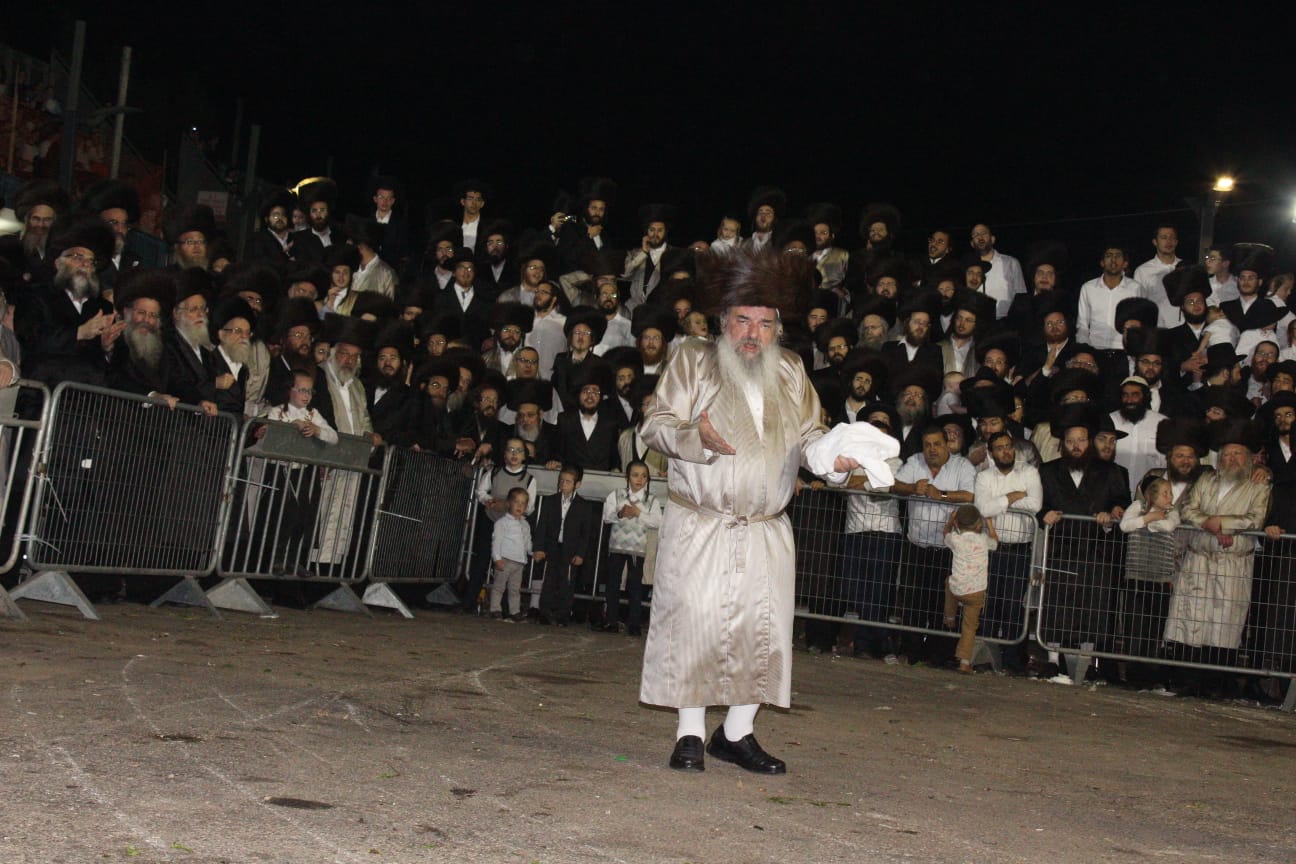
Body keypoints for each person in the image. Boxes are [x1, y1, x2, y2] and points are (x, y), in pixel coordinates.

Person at [639, 248, 889, 775]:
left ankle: (736, 732)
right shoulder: (691, 358)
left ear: (779, 328)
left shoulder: (793, 370)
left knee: (761, 629)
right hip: (700, 522)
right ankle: (688, 733)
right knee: (697, 625)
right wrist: (694, 436)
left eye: (766, 323)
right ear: (724, 320)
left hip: (765, 528)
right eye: (743, 319)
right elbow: (655, 423)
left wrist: (834, 459)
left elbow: (811, 435)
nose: (754, 333)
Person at [597, 460, 663, 636]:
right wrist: (620, 513)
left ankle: (634, 623)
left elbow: (658, 522)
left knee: (635, 586)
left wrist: (638, 513)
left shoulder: (652, 500)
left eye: (643, 476)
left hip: (637, 549)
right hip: (617, 546)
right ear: (627, 477)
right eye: (635, 475)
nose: (639, 479)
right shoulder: (616, 495)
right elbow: (607, 517)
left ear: (648, 479)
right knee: (613, 584)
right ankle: (611, 620)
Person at [533, 464, 596, 626]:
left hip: (571, 549)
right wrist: (539, 547)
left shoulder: (584, 506)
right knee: (549, 581)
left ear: (577, 484)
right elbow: (542, 525)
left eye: (568, 481)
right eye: (561, 481)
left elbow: (585, 533)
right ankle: (544, 613)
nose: (564, 484)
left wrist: (581, 553)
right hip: (552, 547)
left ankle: (563, 615)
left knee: (567, 583)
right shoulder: (550, 501)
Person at [942, 504, 999, 674]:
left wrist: (949, 523)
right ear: (979, 525)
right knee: (969, 627)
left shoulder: (955, 539)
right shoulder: (983, 540)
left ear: (957, 524)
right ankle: (964, 662)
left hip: (957, 587)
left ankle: (950, 616)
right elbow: (995, 543)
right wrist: (990, 524)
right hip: (975, 592)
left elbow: (945, 533)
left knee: (948, 582)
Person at [489, 487, 532, 622]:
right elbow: (497, 541)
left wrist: (532, 552)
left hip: (519, 562)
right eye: (516, 502)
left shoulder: (525, 524)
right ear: (508, 503)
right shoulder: (502, 523)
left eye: (523, 503)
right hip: (505, 560)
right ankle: (495, 609)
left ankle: (515, 611)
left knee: (515, 589)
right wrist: (497, 558)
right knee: (499, 587)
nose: (519, 506)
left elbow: (527, 542)